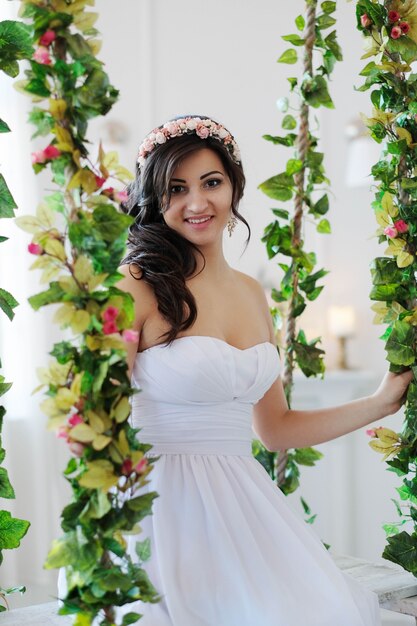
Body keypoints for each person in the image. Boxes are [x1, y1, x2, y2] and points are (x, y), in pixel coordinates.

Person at [116, 115, 412, 626]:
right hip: (161, 510)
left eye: (212, 182)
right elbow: (100, 419)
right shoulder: (135, 284)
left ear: (234, 187)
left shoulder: (253, 293)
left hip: (246, 508)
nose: (196, 203)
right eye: (176, 189)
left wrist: (380, 401)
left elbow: (275, 430)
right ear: (154, 200)